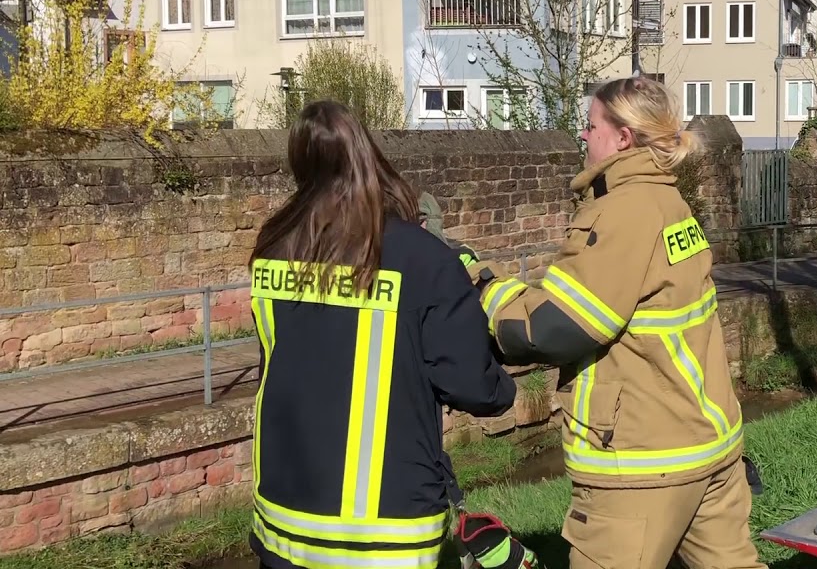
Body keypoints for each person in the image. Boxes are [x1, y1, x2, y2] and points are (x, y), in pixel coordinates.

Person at [458, 76, 766, 569]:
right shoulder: (669, 203)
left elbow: (556, 327)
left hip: (641, 463)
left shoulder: (623, 211)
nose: (583, 135)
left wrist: (483, 288)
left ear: (623, 138)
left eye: (591, 125)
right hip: (710, 446)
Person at [246, 100, 517, 569]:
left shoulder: (271, 249)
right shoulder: (424, 258)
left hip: (284, 521)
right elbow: (475, 388)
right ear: (367, 155)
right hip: (384, 531)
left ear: (298, 164)